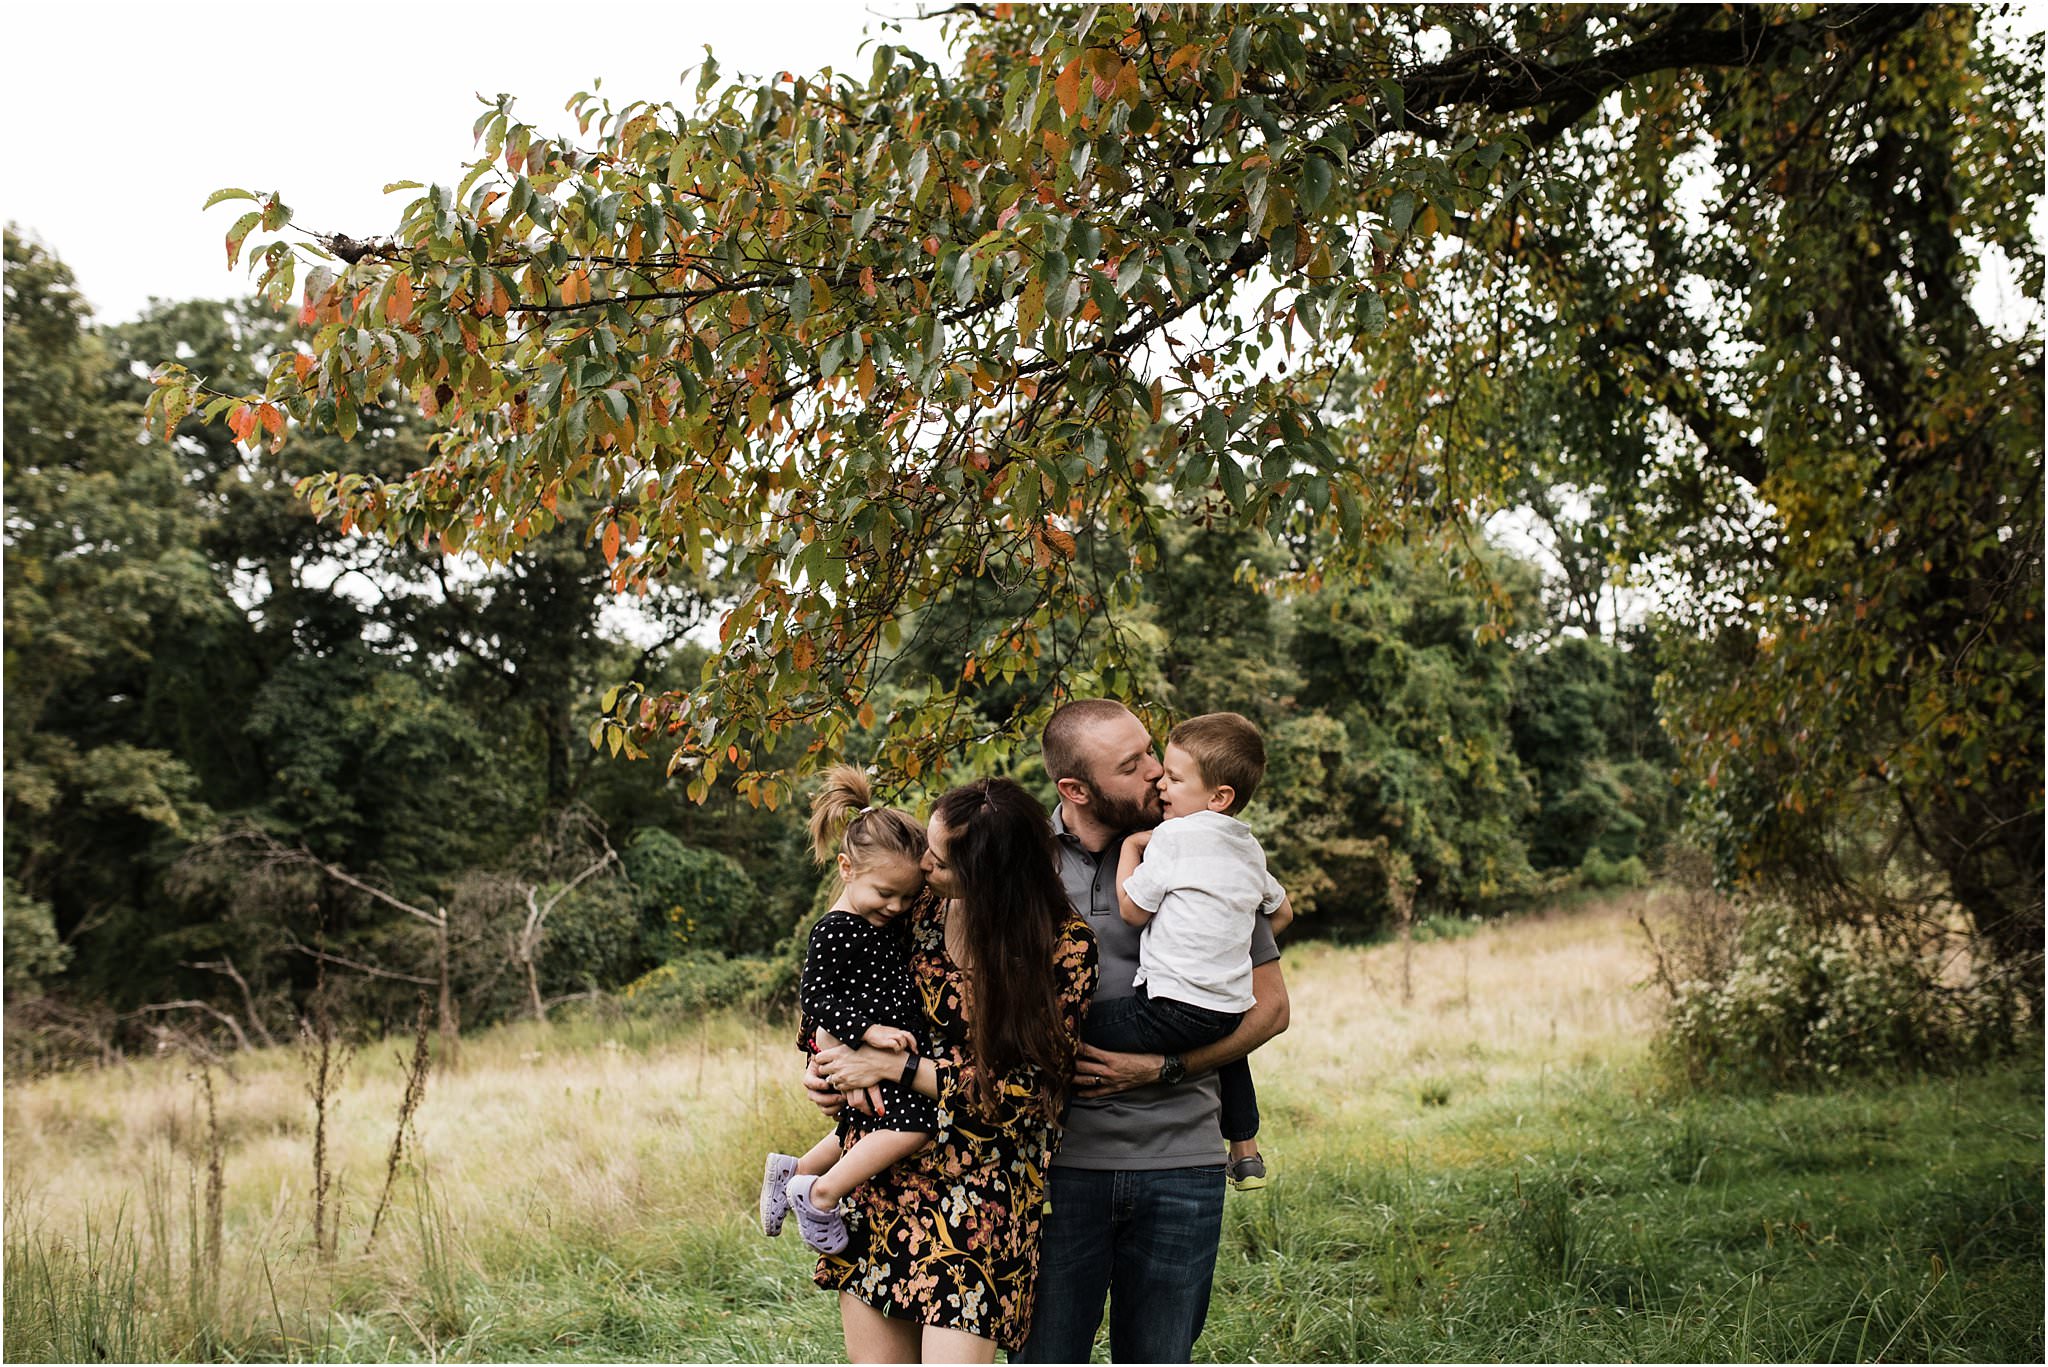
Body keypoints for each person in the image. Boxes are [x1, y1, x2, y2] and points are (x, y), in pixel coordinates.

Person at [1013, 699, 1291, 1365]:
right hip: (1055, 1174)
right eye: (1132, 764)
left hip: (1181, 1168)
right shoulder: (1020, 864)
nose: (1154, 775)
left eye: (1153, 755)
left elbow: (1269, 1008)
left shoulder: (1202, 845)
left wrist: (1163, 1067)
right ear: (1076, 790)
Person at [805, 778, 1099, 1363]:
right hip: (885, 1174)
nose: (922, 864)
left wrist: (896, 1064)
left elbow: (1027, 1089)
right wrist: (823, 1065)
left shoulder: (1060, 948)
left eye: (937, 860)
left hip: (981, 1194)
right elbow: (838, 983)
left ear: (990, 875)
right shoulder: (915, 906)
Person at [1090, 711, 1294, 1192]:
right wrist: (1225, 940)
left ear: (1219, 796)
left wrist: (1129, 852)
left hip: (1168, 1008)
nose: (1161, 782)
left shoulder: (1172, 837)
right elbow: (1282, 914)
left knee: (1070, 1026)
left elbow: (1133, 910)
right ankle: (1245, 1153)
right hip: (1225, 1009)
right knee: (1228, 1052)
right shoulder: (1247, 847)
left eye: (1175, 778)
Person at [760, 766, 936, 1255]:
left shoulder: (875, 922)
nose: (898, 906)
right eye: (886, 894)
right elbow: (815, 999)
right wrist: (868, 1032)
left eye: (908, 896)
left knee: (861, 1128)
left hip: (870, 1048)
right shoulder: (837, 929)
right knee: (912, 1126)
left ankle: (794, 1171)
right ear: (846, 868)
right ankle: (819, 1193)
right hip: (863, 1045)